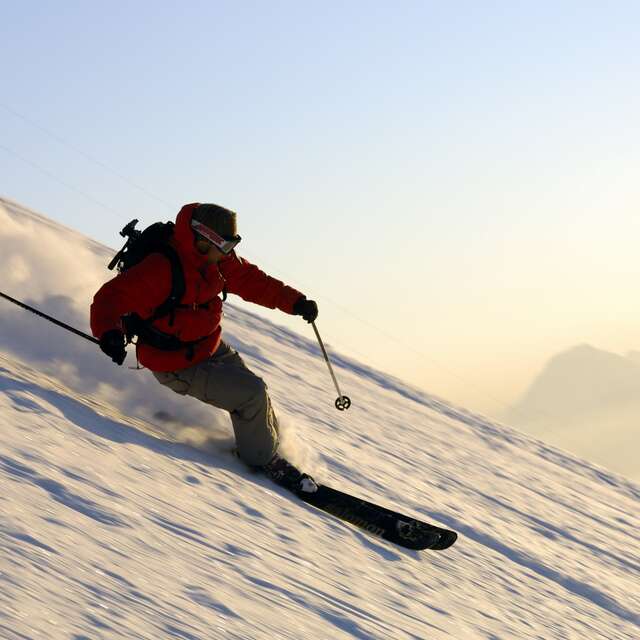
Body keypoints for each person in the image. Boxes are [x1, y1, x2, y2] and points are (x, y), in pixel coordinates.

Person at [90, 202, 319, 493]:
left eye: (232, 245)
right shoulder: (161, 268)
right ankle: (263, 459)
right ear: (201, 240)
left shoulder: (217, 260)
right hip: (174, 361)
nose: (228, 253)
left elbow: (252, 281)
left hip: (208, 346)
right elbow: (110, 298)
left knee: (254, 392)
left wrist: (295, 302)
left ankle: (265, 447)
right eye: (223, 245)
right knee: (252, 394)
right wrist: (108, 333)